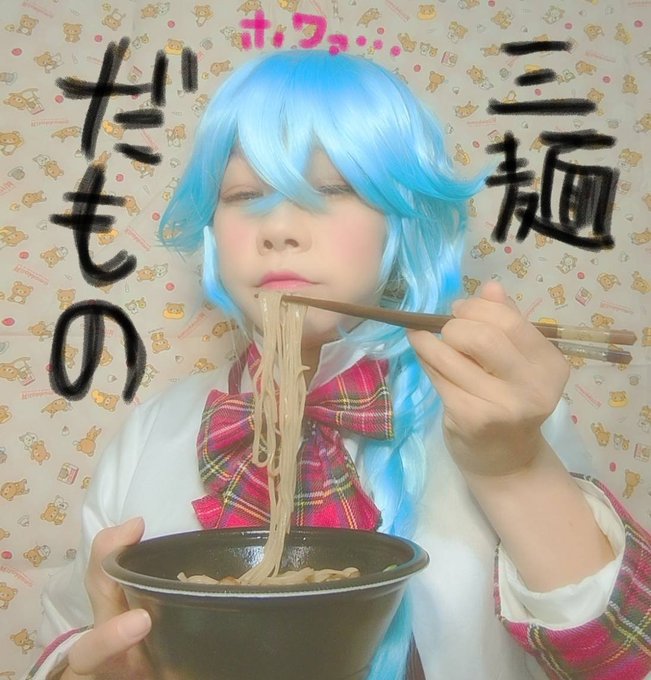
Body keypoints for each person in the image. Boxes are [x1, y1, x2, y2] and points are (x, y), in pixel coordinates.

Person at [25, 50, 650, 680]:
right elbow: (71, 630)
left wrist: (514, 468)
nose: (279, 229)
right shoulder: (151, 433)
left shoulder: (499, 413)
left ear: (402, 219)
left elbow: (626, 661)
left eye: (331, 189)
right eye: (244, 194)